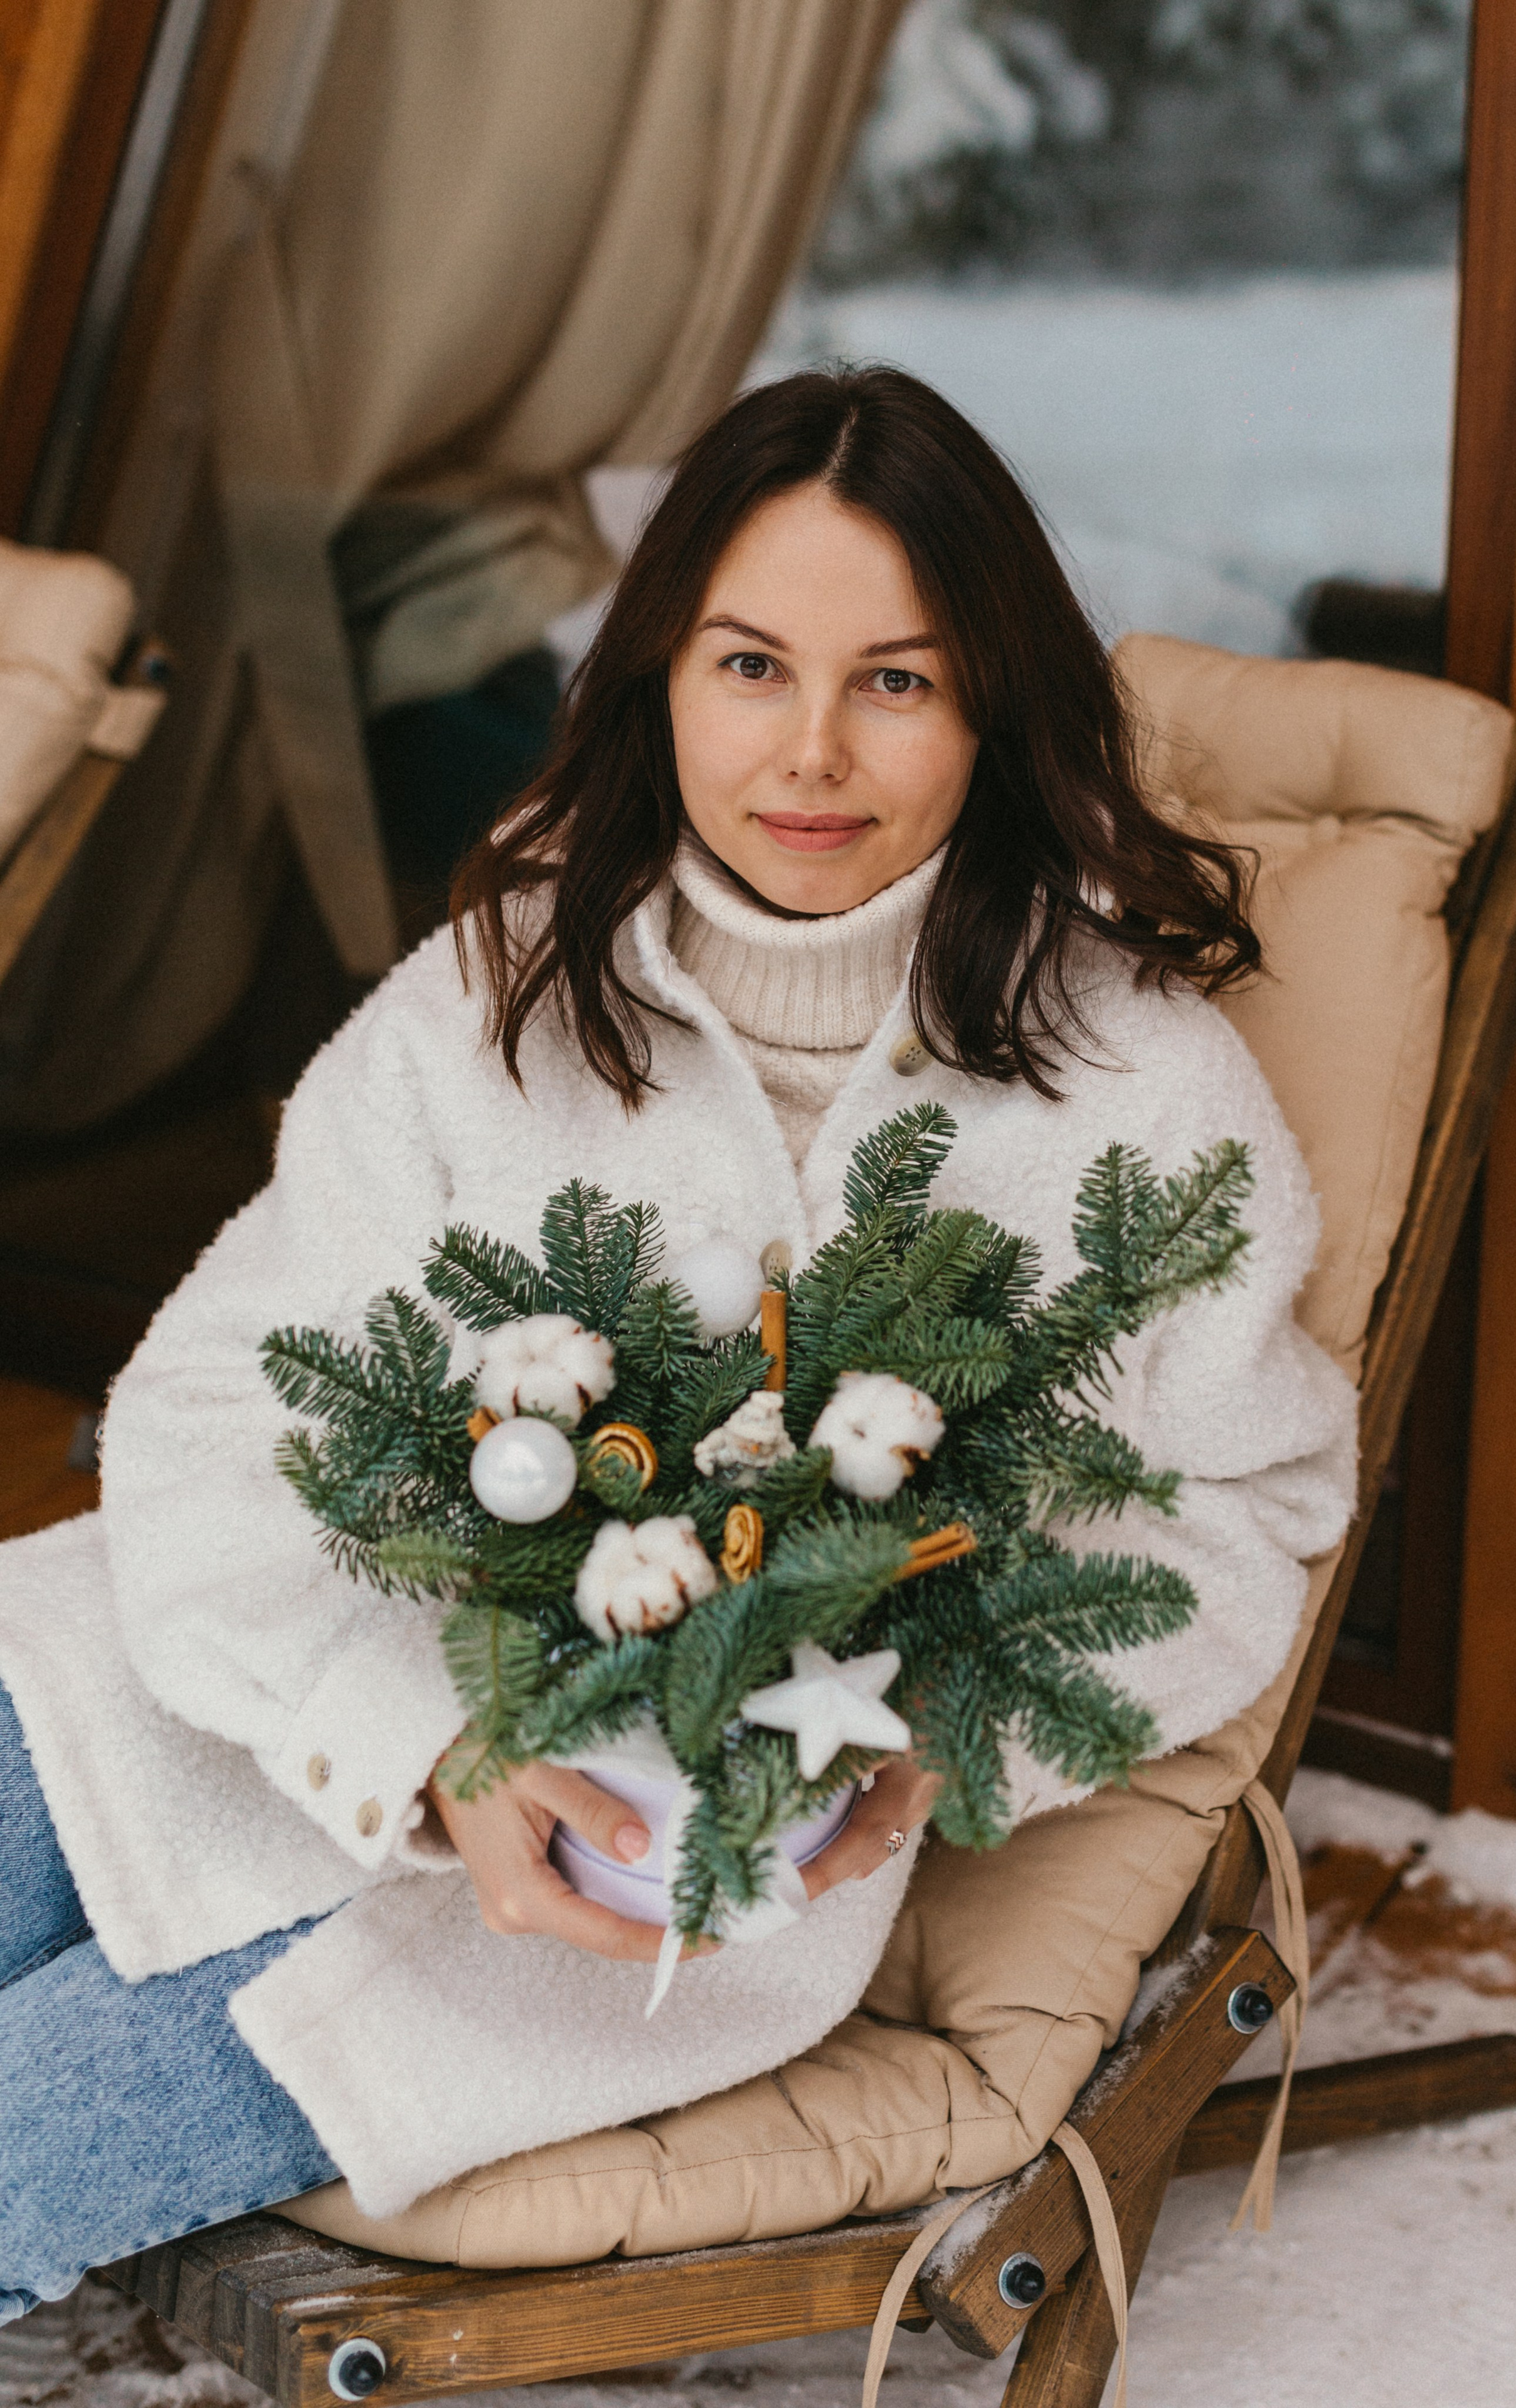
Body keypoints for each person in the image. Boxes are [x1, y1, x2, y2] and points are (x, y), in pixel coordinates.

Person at [0, 367, 1355, 2314]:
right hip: (227, 1678)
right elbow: (224, 1401)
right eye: (748, 666)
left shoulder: (1142, 1095)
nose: (811, 750)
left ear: (991, 703)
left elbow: (1250, 1502)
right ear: (658, 680)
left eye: (896, 678)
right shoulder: (508, 983)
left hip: (656, 1888)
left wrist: (933, 1733)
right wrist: (431, 1739)